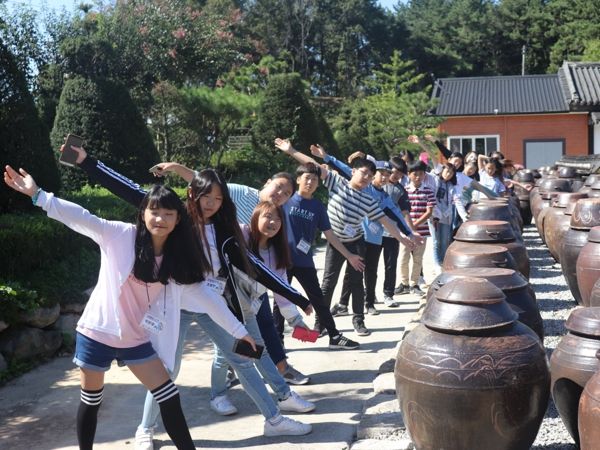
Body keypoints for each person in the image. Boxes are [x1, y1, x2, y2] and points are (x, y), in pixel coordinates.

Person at [68, 148, 315, 448]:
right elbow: (128, 189)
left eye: (217, 199)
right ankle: (146, 429)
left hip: (210, 302)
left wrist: (295, 297)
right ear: (192, 194)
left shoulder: (225, 229)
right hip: (173, 305)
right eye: (205, 196)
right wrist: (87, 162)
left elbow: (254, 266)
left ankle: (274, 420)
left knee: (242, 359)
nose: (210, 203)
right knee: (166, 371)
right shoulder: (175, 215)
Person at [3, 164, 255, 450]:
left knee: (169, 396)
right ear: (143, 213)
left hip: (135, 339)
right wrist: (38, 195)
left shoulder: (177, 259)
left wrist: (239, 330)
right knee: (91, 400)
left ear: (177, 221)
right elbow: (82, 218)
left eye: (168, 214)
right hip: (97, 333)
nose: (160, 219)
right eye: (155, 211)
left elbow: (207, 297)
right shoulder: (120, 236)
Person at [137, 161, 309, 384]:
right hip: (214, 292)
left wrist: (296, 313)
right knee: (214, 353)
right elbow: (205, 184)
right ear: (268, 182)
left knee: (257, 337)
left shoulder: (273, 244)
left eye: (286, 194)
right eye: (278, 187)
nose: (280, 194)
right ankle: (224, 385)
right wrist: (177, 168)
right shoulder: (239, 201)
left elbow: (274, 277)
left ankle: (280, 381)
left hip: (244, 293)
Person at [274, 140, 417, 336]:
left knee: (356, 282)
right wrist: (291, 150)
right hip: (335, 241)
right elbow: (313, 167)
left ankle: (359, 320)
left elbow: (385, 220)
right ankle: (320, 324)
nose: (366, 177)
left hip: (356, 243)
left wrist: (403, 238)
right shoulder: (337, 182)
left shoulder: (369, 199)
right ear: (353, 171)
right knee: (328, 282)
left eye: (370, 175)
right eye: (363, 173)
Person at [268, 160, 363, 349]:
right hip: (283, 260)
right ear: (298, 179)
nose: (310, 182)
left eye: (314, 179)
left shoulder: (318, 207)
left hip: (304, 261)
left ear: (318, 183)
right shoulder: (285, 200)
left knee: (318, 299)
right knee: (281, 300)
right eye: (307, 178)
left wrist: (349, 255)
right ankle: (277, 340)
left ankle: (334, 336)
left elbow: (330, 235)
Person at [396, 161, 436, 296]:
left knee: (418, 258)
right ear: (409, 175)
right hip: (405, 231)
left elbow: (429, 212)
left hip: (422, 231)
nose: (418, 177)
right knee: (403, 257)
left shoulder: (428, 191)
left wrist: (414, 226)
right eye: (415, 174)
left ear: (425, 175)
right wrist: (408, 227)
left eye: (421, 174)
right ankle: (404, 283)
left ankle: (414, 284)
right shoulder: (404, 191)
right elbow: (400, 211)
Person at [431, 163, 467, 272]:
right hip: (434, 216)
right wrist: (435, 214)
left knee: (445, 240)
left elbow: (457, 201)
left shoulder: (451, 186)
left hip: (446, 216)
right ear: (442, 170)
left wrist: (464, 217)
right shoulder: (435, 180)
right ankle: (437, 263)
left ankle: (444, 261)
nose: (448, 174)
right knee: (436, 241)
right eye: (447, 171)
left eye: (451, 173)